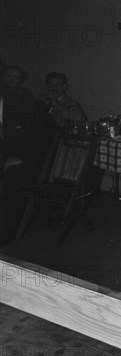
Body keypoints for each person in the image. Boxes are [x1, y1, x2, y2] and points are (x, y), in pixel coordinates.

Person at [1, 65, 53, 243]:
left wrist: (21, 158)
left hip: (18, 155)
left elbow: (42, 131)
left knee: (13, 180)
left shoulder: (25, 100)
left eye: (15, 77)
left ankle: (8, 234)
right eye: (8, 76)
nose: (11, 80)